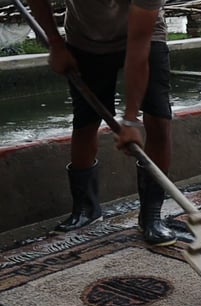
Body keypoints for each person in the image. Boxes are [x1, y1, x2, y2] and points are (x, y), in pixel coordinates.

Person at [27, 0, 176, 246]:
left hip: (144, 35)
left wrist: (130, 119)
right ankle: (85, 209)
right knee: (86, 121)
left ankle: (151, 216)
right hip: (84, 39)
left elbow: (138, 48)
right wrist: (55, 44)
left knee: (159, 120)